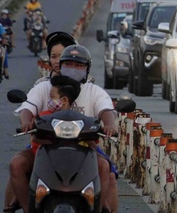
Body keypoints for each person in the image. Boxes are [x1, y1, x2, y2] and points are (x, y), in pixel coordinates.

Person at [8, 44, 118, 213]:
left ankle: (98, 206)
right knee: (16, 164)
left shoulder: (94, 91)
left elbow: (106, 110)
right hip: (45, 146)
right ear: (60, 65)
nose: (73, 68)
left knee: (105, 168)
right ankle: (27, 207)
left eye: (79, 65)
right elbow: (27, 108)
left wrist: (109, 125)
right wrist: (26, 121)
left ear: (87, 69)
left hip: (83, 148)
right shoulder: (46, 87)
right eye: (69, 64)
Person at [29, 75, 82, 155]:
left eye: (52, 97)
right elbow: (34, 138)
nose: (49, 101)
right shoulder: (41, 117)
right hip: (43, 156)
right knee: (17, 163)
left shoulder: (80, 119)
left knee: (103, 164)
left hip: (74, 156)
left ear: (64, 100)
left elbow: (92, 144)